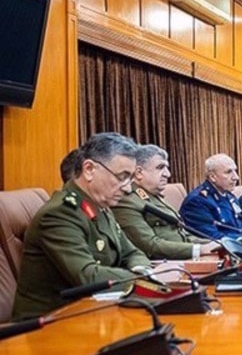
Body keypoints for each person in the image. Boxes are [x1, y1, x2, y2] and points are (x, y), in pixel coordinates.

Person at [12, 133, 152, 320]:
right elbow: (88, 276)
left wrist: (142, 271)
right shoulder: (60, 213)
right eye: (122, 177)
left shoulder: (101, 206)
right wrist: (142, 280)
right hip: (49, 324)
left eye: (130, 179)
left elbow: (132, 253)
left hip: (91, 312)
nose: (127, 188)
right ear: (89, 169)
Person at [112, 144, 217, 260]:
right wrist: (199, 250)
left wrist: (216, 245)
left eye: (167, 168)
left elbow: (183, 235)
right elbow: (149, 245)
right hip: (162, 266)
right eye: (160, 167)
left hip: (182, 260)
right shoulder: (127, 200)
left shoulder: (155, 197)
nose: (168, 174)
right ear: (139, 173)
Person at [179, 153, 242, 239]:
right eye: (228, 172)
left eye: (235, 171)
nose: (236, 177)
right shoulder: (197, 201)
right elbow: (212, 237)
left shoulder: (229, 196)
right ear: (212, 177)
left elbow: (240, 228)